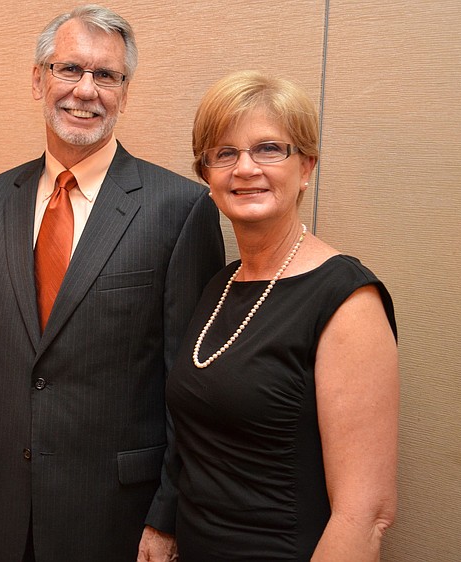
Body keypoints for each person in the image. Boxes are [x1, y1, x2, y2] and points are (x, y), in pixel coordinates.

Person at [0, 5, 225, 562]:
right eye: (69, 69)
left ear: (125, 91)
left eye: (107, 75)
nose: (85, 90)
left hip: (116, 515)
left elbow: (188, 389)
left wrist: (167, 518)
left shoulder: (179, 209)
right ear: (38, 79)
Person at [166, 70, 399, 560]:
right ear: (206, 175)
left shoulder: (346, 299)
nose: (245, 168)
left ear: (307, 167)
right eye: (224, 153)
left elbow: (366, 514)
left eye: (269, 149)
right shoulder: (219, 286)